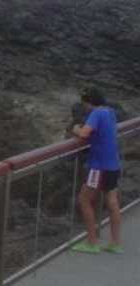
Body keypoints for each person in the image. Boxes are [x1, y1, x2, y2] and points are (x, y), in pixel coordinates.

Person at [71, 87, 122, 254]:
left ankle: (92, 242)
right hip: (113, 164)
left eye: (84, 103)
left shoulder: (96, 113)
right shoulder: (110, 111)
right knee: (113, 203)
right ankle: (115, 243)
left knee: (84, 200)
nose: (84, 107)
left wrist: (76, 129)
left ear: (89, 101)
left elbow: (84, 133)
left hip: (98, 167)